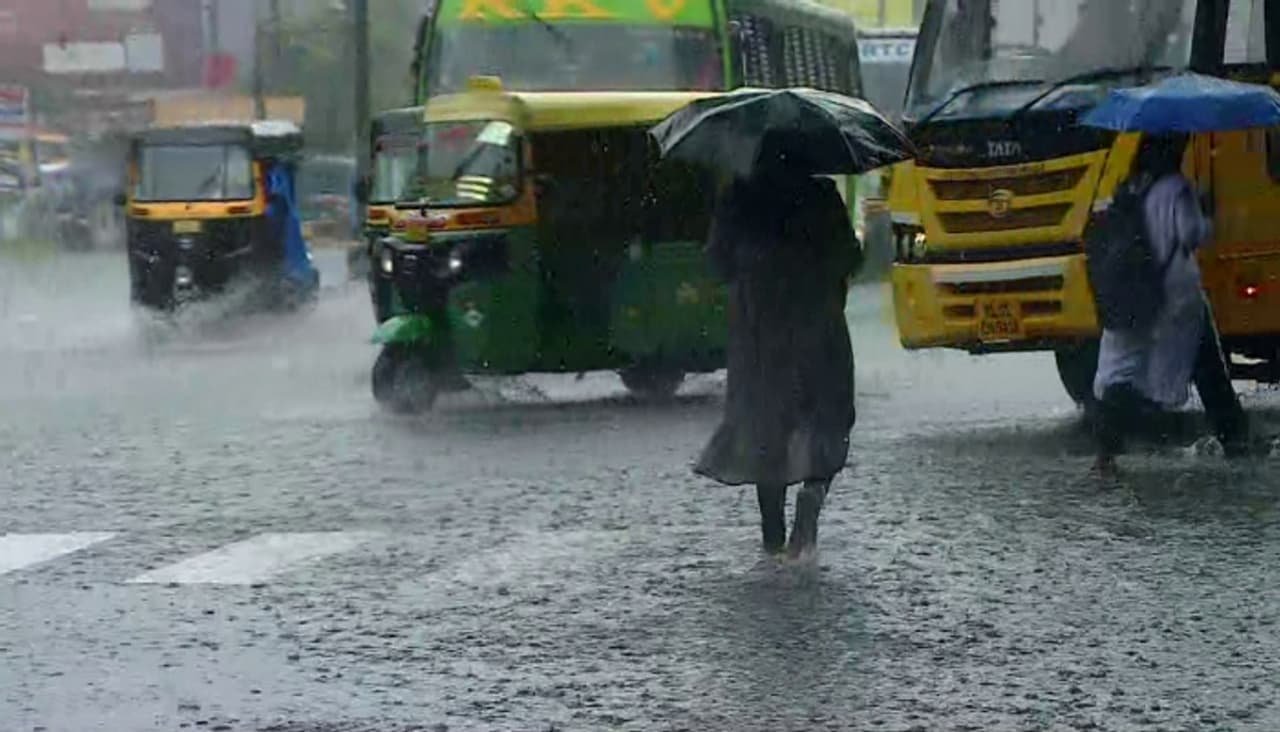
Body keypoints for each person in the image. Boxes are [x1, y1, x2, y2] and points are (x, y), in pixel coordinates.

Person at [695, 147, 860, 559]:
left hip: (760, 332)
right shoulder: (820, 193)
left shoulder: (740, 195)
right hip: (819, 325)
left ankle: (772, 538)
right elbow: (849, 257)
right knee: (828, 417)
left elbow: (717, 263)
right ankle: (813, 496)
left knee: (765, 429)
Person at [1092, 134, 1248, 475]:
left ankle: (1108, 446)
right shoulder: (1175, 188)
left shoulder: (1127, 188)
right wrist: (1207, 211)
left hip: (1136, 291)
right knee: (1207, 368)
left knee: (1126, 369)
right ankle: (1233, 436)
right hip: (1177, 292)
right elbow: (1193, 234)